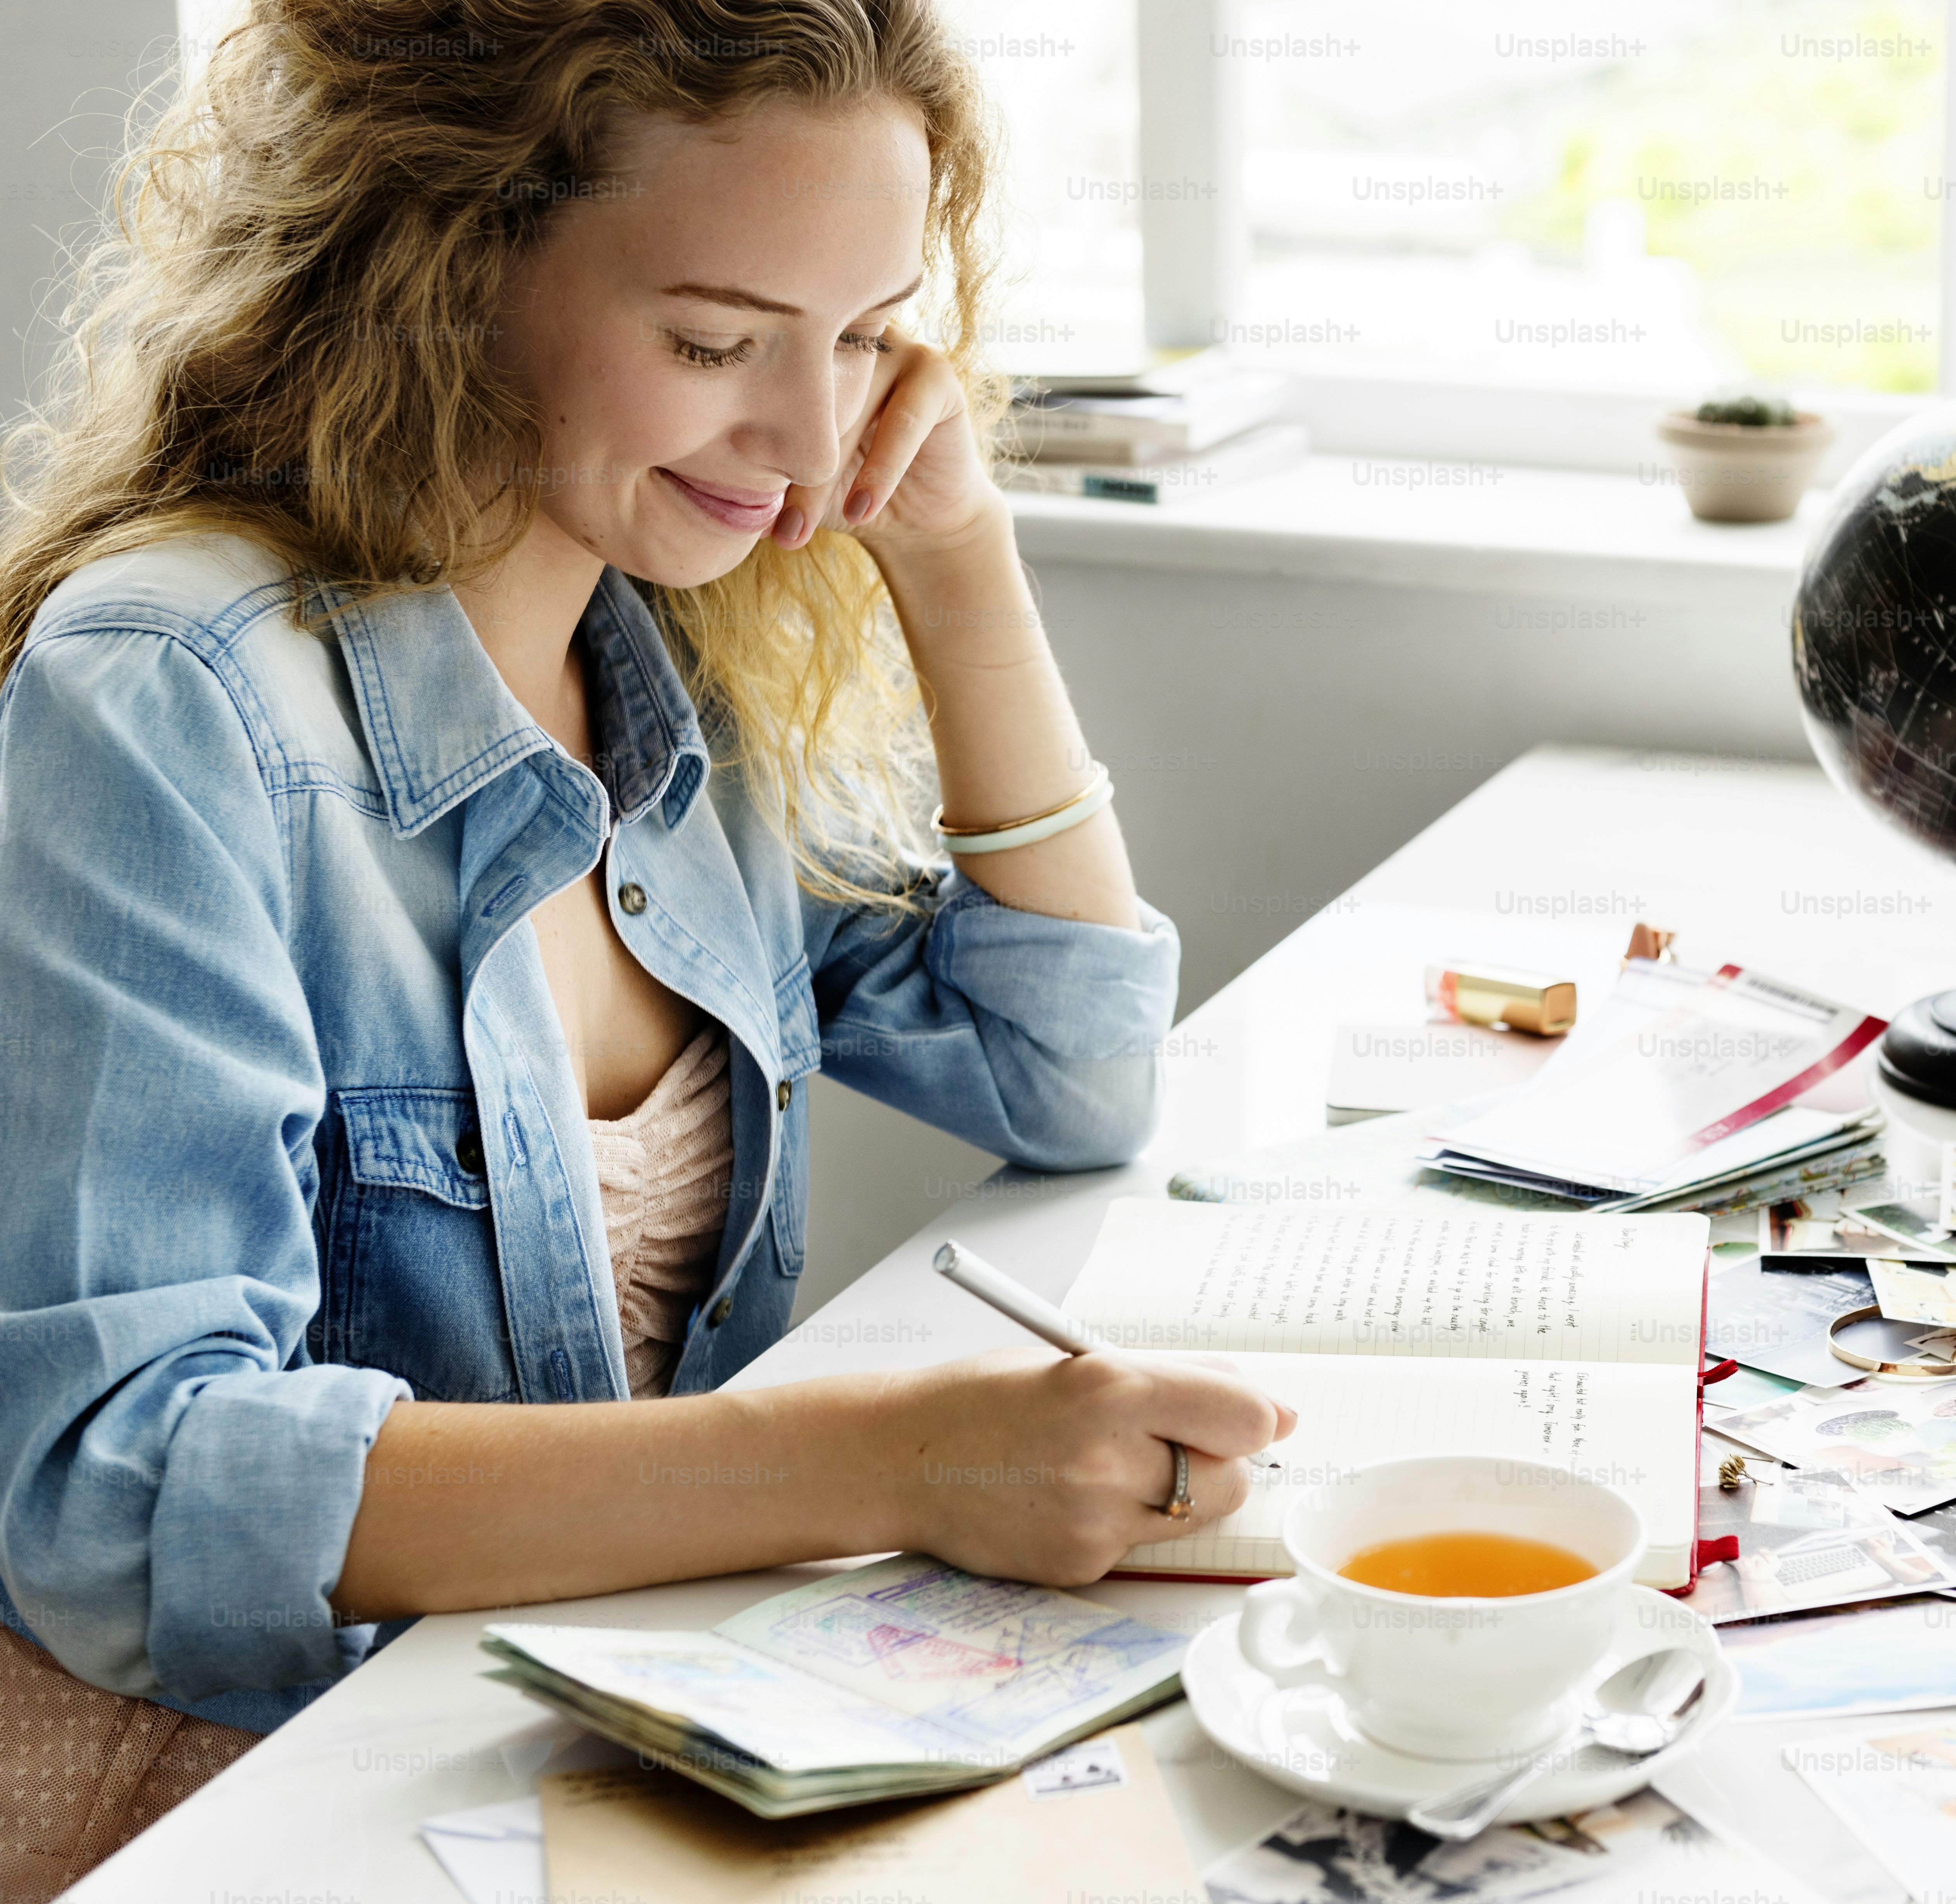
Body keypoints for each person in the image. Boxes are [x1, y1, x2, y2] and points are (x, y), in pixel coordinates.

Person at [0, 4, 1293, 1888]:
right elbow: (117, 1498)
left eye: (865, 339)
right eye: (713, 341)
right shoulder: (170, 699)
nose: (813, 438)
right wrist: (898, 1461)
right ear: (449, 270)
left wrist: (956, 558)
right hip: (245, 1774)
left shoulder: (663, 651)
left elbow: (1070, 1073)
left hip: (565, 1717)